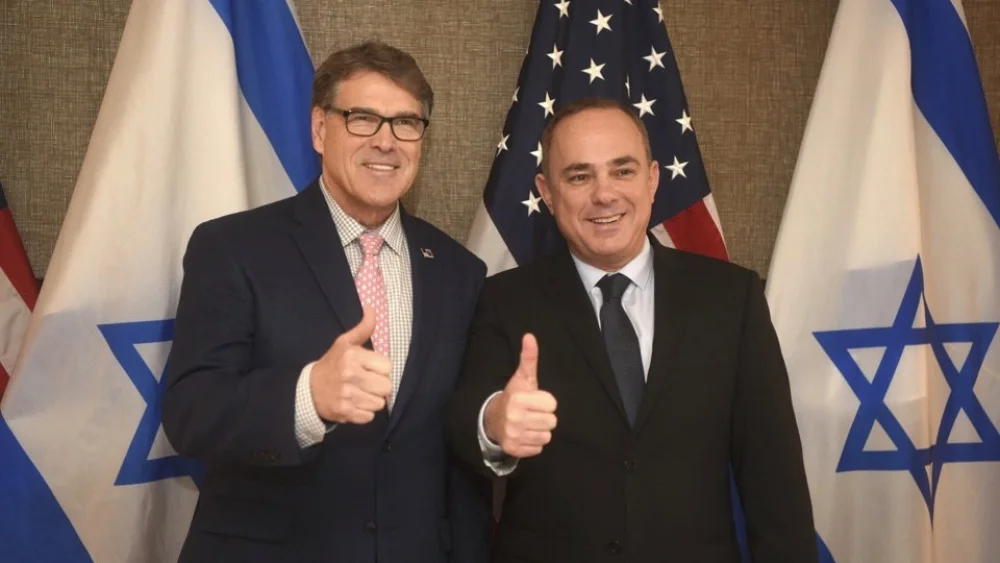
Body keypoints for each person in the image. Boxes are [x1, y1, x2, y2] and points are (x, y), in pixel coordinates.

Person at [445, 97, 816, 562]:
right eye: (579, 176)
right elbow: (461, 428)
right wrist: (494, 423)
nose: (604, 194)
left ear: (653, 178)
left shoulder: (731, 299)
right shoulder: (503, 300)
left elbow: (774, 480)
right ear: (546, 190)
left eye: (623, 171)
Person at [163, 41, 492, 563]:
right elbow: (189, 412)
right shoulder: (233, 248)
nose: (386, 141)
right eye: (363, 118)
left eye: (406, 123)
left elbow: (452, 449)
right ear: (320, 129)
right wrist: (306, 397)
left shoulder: (459, 272)